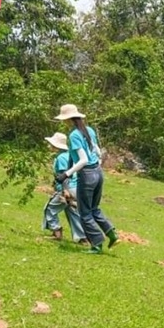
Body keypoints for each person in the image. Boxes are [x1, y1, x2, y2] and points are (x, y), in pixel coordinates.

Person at [53, 104, 120, 254]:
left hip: (87, 175)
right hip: (98, 172)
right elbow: (96, 151)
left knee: (84, 212)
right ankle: (111, 233)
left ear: (68, 119)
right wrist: (97, 165)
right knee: (94, 208)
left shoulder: (74, 135)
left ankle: (96, 244)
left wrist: (66, 174)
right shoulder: (89, 130)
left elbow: (82, 160)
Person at [41, 132, 87, 244]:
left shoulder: (61, 157)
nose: (49, 146)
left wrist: (64, 190)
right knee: (72, 211)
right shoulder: (70, 155)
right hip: (76, 187)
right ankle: (82, 238)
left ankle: (56, 231)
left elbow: (64, 174)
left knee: (50, 208)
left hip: (68, 188)